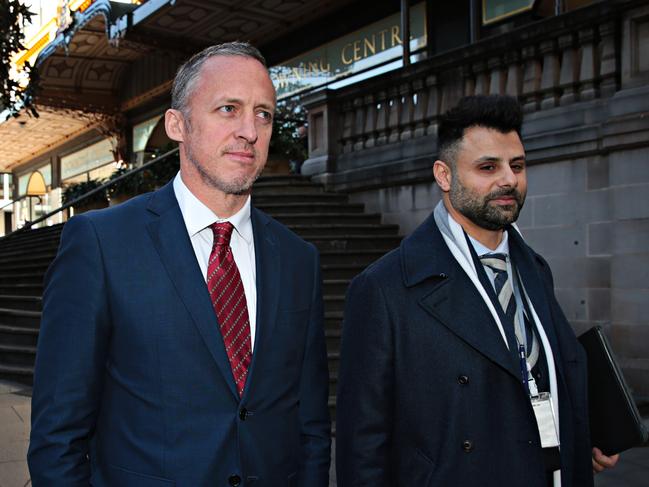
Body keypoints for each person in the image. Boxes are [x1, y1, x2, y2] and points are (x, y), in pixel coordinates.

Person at [28, 42, 331, 487]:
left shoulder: (298, 259)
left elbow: (310, 422)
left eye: (263, 113)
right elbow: (59, 436)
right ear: (178, 125)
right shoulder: (100, 243)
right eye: (228, 108)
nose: (249, 130)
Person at [336, 95, 618, 487]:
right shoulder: (383, 288)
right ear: (444, 175)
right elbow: (362, 443)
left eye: (517, 166)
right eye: (488, 167)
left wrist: (583, 434)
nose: (508, 179)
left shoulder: (535, 269)